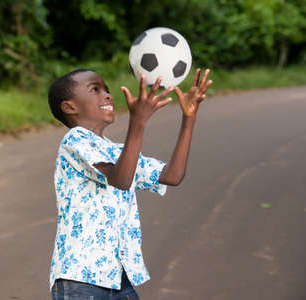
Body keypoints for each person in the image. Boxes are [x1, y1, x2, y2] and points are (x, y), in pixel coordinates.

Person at [48, 68, 212, 299]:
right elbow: (121, 179)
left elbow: (172, 175)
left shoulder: (117, 151)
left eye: (107, 89)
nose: (107, 95)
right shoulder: (74, 140)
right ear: (69, 107)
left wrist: (189, 117)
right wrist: (138, 121)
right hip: (81, 278)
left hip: (118, 278)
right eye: (95, 89)